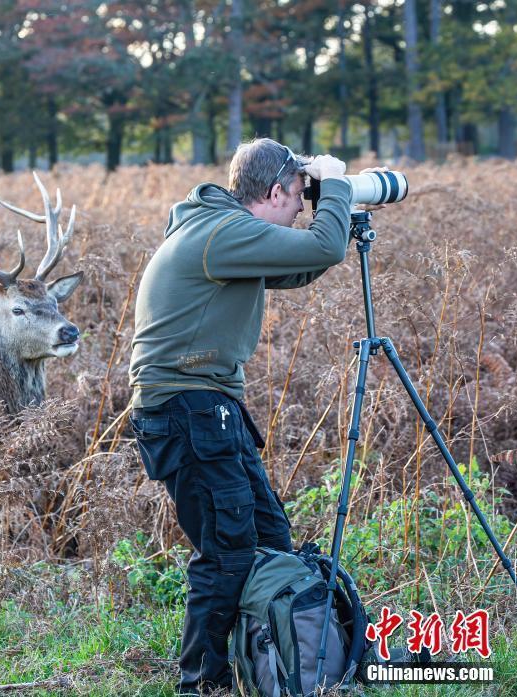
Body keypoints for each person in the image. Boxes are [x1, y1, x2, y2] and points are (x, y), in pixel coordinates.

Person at [128, 138, 352, 696]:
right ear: (274, 191)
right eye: (301, 194)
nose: (302, 207)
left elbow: (301, 267)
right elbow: (323, 248)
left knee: (271, 537)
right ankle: (201, 684)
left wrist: (332, 208)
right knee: (227, 551)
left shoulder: (220, 229)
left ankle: (272, 663)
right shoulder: (221, 233)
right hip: (188, 409)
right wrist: (339, 188)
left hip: (203, 409)